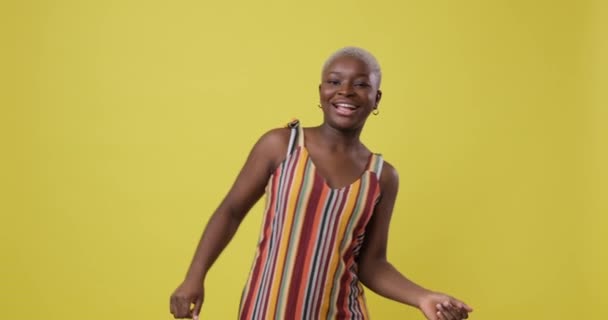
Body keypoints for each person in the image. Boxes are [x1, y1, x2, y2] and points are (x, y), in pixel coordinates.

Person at [170, 47, 473, 320]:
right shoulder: (281, 145)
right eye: (334, 81)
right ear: (320, 91)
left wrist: (423, 297)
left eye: (361, 84)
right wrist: (194, 276)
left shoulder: (382, 176)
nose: (346, 91)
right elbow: (231, 211)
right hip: (266, 309)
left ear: (377, 97)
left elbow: (373, 264)